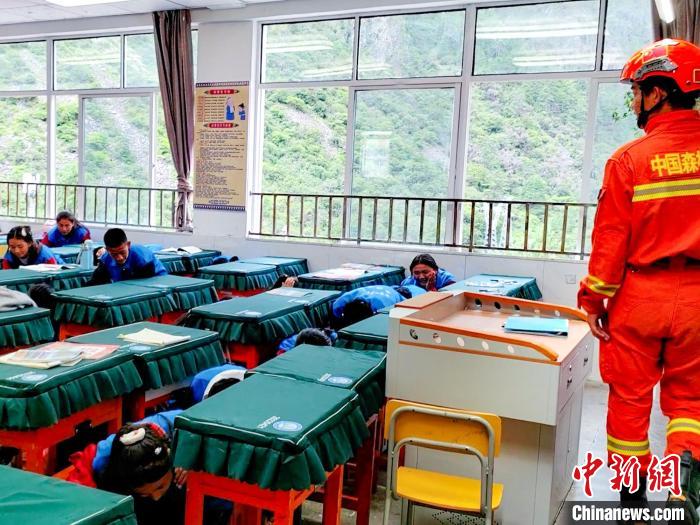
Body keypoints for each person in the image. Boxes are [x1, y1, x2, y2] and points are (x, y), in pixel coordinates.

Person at [577, 39, 700, 523]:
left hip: (640, 296)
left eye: (636, 91)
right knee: (690, 400)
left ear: (659, 92)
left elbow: (610, 243)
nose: (633, 101)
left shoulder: (629, 159)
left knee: (629, 399)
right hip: (698, 302)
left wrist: (593, 302)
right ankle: (683, 486)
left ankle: (632, 503)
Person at [89, 228, 167, 285]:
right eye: (114, 254)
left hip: (156, 281)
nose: (120, 258)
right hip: (124, 284)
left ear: (128, 245)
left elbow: (142, 286)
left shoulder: (142, 259)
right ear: (107, 249)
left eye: (122, 252)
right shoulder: (105, 259)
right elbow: (95, 282)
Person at [331, 285, 420, 329]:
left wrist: (338, 316)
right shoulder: (398, 299)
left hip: (357, 307)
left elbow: (336, 305)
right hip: (369, 311)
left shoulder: (381, 287)